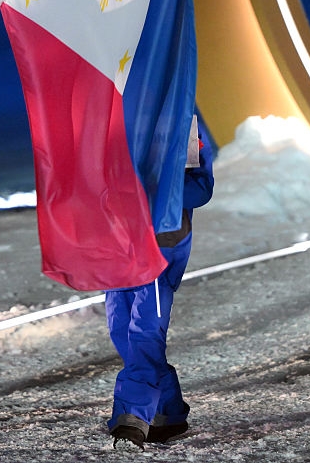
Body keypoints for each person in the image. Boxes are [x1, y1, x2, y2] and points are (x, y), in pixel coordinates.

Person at [106, 118, 215, 450]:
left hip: (158, 248)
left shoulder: (181, 118)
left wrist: (156, 185)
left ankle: (132, 418)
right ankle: (169, 414)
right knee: (123, 334)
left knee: (144, 334)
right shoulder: (109, 111)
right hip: (116, 249)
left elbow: (201, 188)